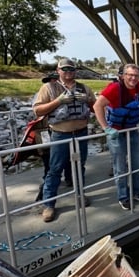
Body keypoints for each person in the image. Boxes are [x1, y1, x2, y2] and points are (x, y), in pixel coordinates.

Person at [93, 63, 139, 211]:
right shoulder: (114, 89)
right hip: (116, 133)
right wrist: (106, 128)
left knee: (138, 164)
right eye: (130, 75)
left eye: (136, 76)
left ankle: (136, 191)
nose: (133, 78)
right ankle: (123, 197)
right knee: (120, 167)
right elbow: (97, 106)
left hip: (132, 130)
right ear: (124, 75)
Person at [33, 59, 96, 222]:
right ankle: (49, 204)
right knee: (55, 169)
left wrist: (87, 100)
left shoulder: (84, 88)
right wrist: (59, 101)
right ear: (58, 70)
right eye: (65, 68)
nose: (68, 71)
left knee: (79, 166)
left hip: (81, 133)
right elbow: (37, 110)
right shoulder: (49, 88)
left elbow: (96, 106)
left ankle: (80, 194)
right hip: (60, 134)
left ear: (76, 71)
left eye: (72, 69)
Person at [33, 72, 72, 201]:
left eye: (55, 80)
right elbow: (38, 111)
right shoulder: (42, 93)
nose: (52, 82)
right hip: (44, 130)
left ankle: (69, 179)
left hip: (60, 130)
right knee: (48, 159)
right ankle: (45, 191)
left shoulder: (65, 92)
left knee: (68, 156)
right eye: (50, 80)